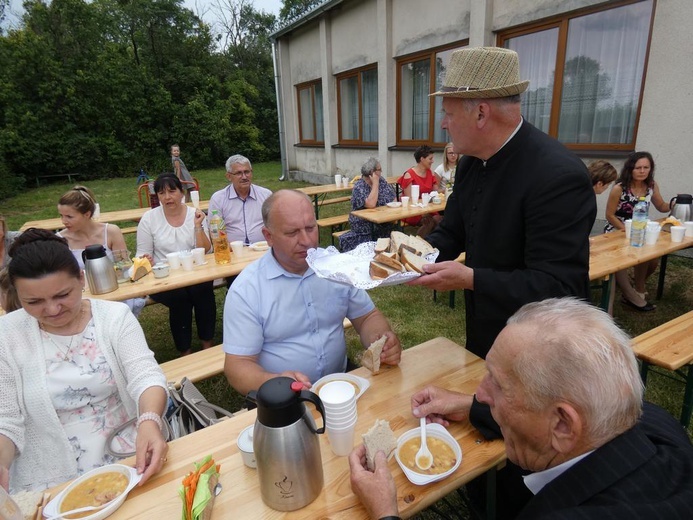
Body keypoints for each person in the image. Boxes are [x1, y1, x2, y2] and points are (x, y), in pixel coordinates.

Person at [349, 298, 693, 520]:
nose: (481, 394)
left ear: (562, 425)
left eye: (498, 384)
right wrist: (468, 407)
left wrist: (385, 513)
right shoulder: (652, 422)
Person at [412, 46, 595, 359]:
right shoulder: (472, 161)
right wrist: (410, 259)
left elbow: (557, 285)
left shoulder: (558, 175)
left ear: (482, 113)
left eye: (449, 114)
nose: (444, 124)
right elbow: (453, 230)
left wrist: (470, 279)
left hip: (541, 345)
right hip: (485, 327)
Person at [0, 229, 168, 493]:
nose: (52, 310)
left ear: (81, 278)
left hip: (126, 452)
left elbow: (145, 376)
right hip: (50, 475)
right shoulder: (7, 334)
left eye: (62, 295)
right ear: (17, 296)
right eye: (33, 301)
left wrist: (148, 421)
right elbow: (6, 419)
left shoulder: (114, 317)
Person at [222, 189, 402, 395]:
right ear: (268, 236)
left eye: (310, 228)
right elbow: (238, 366)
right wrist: (275, 381)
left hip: (340, 383)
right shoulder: (247, 289)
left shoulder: (336, 268)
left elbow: (368, 316)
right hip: (281, 396)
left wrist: (381, 340)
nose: (306, 241)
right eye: (292, 233)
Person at [136, 174, 215, 356]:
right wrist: (147, 260)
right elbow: (141, 255)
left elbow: (207, 251)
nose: (167, 197)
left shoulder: (195, 215)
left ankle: (207, 345)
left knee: (202, 290)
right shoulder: (149, 219)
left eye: (172, 191)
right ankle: (185, 352)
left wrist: (197, 226)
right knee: (180, 298)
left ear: (182, 193)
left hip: (193, 271)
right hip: (163, 276)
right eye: (161, 193)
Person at [56, 186, 146, 316]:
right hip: (82, 297)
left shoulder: (110, 232)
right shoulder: (61, 240)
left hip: (115, 292)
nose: (64, 221)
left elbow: (125, 266)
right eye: (61, 216)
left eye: (69, 216)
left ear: (87, 214)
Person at [604, 152, 671, 312]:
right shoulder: (619, 188)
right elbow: (609, 215)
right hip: (618, 230)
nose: (642, 171)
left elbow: (661, 206)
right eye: (638, 168)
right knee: (623, 260)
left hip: (641, 229)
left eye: (646, 167)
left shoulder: (651, 186)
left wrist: (676, 203)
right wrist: (625, 229)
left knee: (652, 260)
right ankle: (632, 293)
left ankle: (637, 286)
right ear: (630, 169)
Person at [208, 154, 272, 245]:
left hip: (262, 248)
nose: (244, 177)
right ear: (229, 176)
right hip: (232, 251)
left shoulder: (266, 195)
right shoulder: (218, 199)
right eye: (238, 173)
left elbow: (275, 225)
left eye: (247, 172)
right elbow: (214, 231)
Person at [339, 157, 396, 251]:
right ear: (372, 172)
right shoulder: (359, 187)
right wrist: (375, 184)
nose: (381, 172)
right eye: (379, 170)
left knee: (394, 233)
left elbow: (393, 197)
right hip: (364, 227)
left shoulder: (381, 181)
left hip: (383, 221)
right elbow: (371, 204)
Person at [398, 145, 441, 237]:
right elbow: (409, 201)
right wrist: (423, 212)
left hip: (428, 209)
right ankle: (419, 242)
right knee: (433, 221)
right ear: (422, 159)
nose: (433, 161)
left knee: (442, 220)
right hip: (414, 212)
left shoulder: (430, 173)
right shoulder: (409, 175)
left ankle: (429, 243)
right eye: (430, 158)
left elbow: (436, 192)